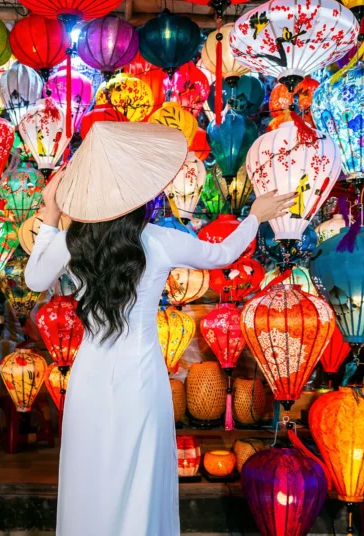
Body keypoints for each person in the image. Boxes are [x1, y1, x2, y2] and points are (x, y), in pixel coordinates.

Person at [25, 122, 297, 535]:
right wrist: (255, 216)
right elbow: (223, 254)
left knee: (90, 473)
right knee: (140, 476)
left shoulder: (73, 241)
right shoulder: (159, 239)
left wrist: (50, 210)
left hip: (89, 379)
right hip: (141, 378)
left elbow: (34, 280)